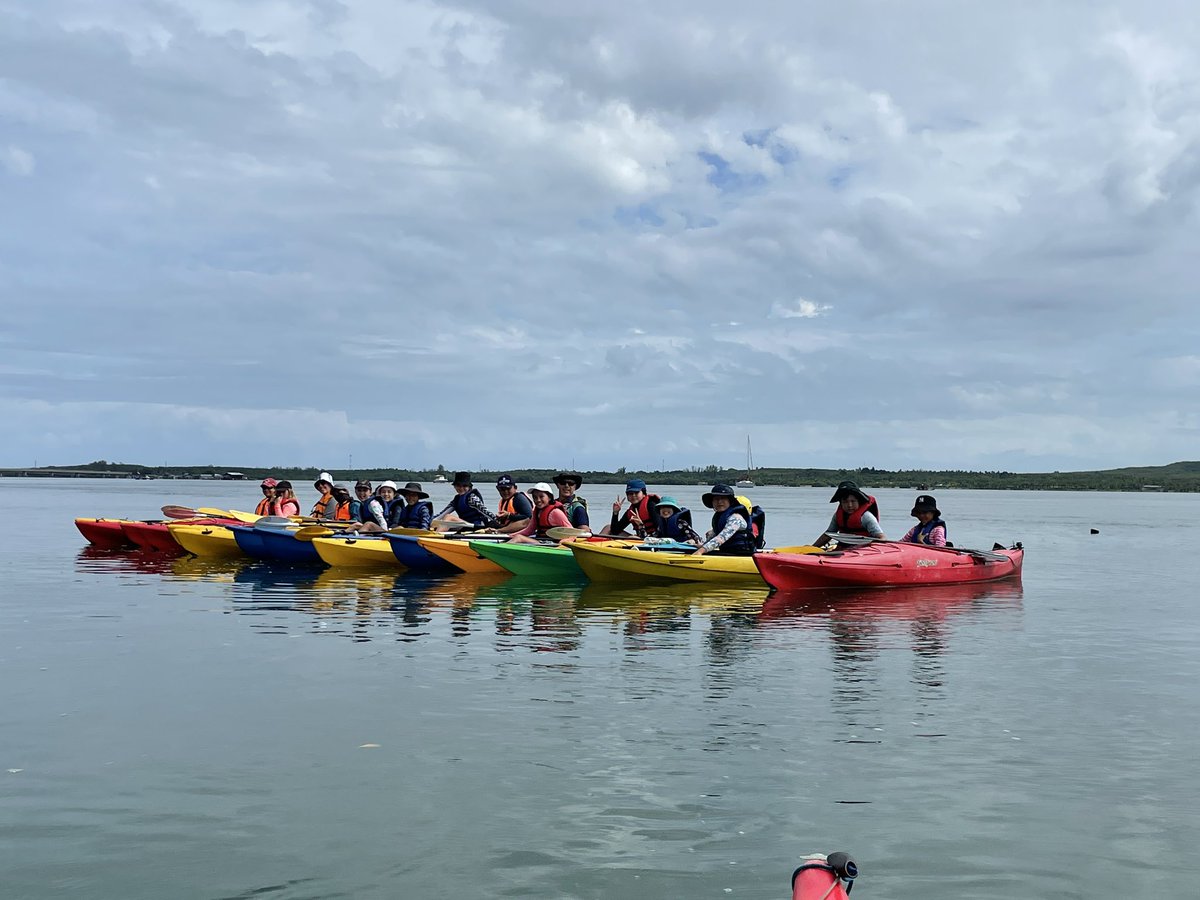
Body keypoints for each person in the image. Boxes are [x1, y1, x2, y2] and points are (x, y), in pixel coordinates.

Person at [813, 481, 885, 547]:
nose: (849, 505)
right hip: (843, 549)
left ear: (859, 501)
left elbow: (882, 538)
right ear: (841, 503)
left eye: (853, 501)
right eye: (845, 502)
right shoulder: (837, 516)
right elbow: (828, 535)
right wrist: (812, 548)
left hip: (863, 551)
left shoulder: (866, 517)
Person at [693, 484, 755, 556]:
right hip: (728, 552)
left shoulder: (736, 518)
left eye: (723, 498)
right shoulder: (720, 517)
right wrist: (702, 546)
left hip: (743, 554)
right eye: (716, 499)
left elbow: (722, 537)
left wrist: (701, 551)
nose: (719, 502)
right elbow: (715, 535)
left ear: (730, 501)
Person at [507, 482, 573, 544]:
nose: (538, 500)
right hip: (542, 542)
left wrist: (563, 543)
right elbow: (529, 530)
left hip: (553, 544)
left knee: (519, 538)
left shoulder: (555, 512)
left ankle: (502, 550)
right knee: (517, 537)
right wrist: (509, 536)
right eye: (535, 497)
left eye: (541, 497)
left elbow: (572, 532)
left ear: (549, 497)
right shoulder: (537, 511)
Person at [433, 472, 502, 529]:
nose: (461, 488)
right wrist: (431, 521)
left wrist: (500, 524)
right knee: (437, 522)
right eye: (458, 486)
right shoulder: (456, 500)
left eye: (464, 486)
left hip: (478, 526)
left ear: (469, 487)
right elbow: (441, 514)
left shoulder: (472, 498)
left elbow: (486, 512)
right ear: (455, 486)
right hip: (466, 525)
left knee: (448, 517)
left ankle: (435, 539)